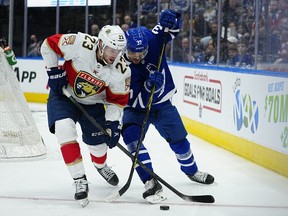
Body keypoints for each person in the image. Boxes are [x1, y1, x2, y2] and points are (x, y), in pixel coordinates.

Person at [122, 9, 214, 204]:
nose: (136, 57)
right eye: (132, 53)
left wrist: (172, 18)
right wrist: (147, 87)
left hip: (163, 103)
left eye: (140, 53)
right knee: (131, 139)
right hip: (136, 109)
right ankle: (149, 181)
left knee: (180, 141)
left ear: (147, 47)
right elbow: (132, 100)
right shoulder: (121, 65)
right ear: (125, 49)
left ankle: (192, 171)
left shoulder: (153, 39)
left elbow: (171, 30)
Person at [40, 25, 131, 206]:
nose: (115, 54)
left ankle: (100, 166)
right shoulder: (81, 43)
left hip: (93, 104)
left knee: (99, 147)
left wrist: (113, 123)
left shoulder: (121, 69)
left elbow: (117, 101)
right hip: (64, 95)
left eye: (119, 50)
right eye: (112, 49)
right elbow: (48, 45)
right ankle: (79, 179)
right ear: (101, 45)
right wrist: (53, 71)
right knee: (64, 129)